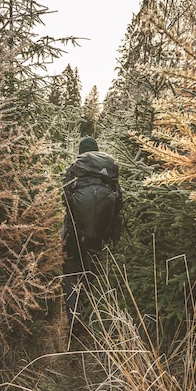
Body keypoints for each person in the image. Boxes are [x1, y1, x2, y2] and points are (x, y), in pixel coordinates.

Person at [61, 137, 122, 333]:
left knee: (71, 273)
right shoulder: (108, 174)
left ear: (81, 152)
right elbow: (119, 203)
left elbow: (65, 199)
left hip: (73, 233)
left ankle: (74, 320)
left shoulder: (74, 169)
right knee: (91, 272)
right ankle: (90, 316)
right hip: (98, 235)